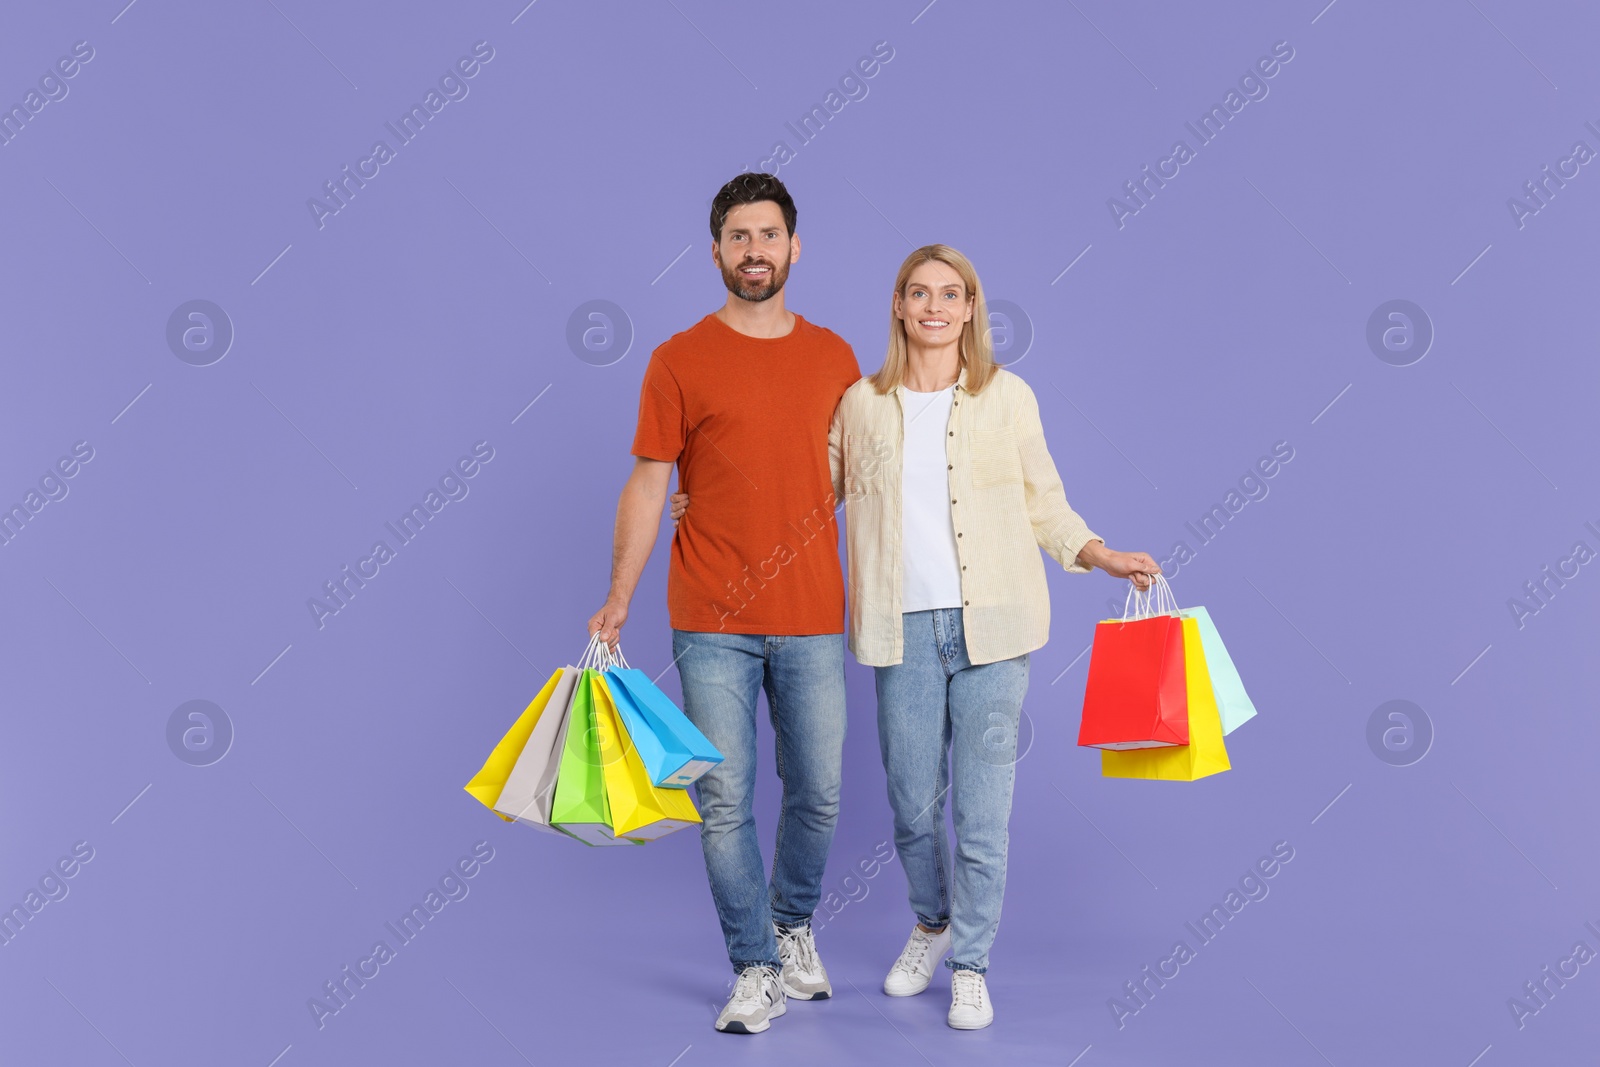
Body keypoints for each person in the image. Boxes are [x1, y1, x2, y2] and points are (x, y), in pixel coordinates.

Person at [673, 244, 1159, 1030]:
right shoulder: (862, 402)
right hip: (898, 630)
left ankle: (970, 964)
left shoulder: (1009, 397)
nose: (935, 306)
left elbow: (1046, 502)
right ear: (898, 306)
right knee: (910, 805)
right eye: (919, 292)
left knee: (983, 810)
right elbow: (804, 487)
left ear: (972, 309)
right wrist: (706, 498)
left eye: (952, 293)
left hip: (996, 631)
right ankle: (931, 921)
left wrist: (1098, 553)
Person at [587, 173, 860, 1035]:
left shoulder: (835, 357)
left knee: (817, 791)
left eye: (768, 235)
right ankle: (753, 966)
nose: (754, 250)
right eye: (738, 237)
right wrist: (617, 598)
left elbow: (851, 473)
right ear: (715, 253)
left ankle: (791, 924)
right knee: (724, 798)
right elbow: (648, 479)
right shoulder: (677, 358)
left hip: (814, 609)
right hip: (710, 615)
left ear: (794, 248)